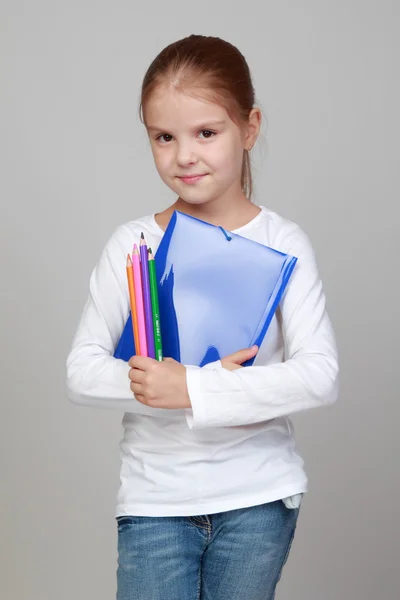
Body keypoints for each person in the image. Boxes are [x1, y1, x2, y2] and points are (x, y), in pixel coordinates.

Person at [66, 34, 339, 600]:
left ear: (250, 128)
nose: (184, 155)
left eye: (206, 133)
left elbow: (319, 375)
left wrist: (193, 388)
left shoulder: (282, 242)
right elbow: (82, 372)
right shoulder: (135, 242)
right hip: (155, 501)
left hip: (257, 497)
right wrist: (150, 383)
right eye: (164, 137)